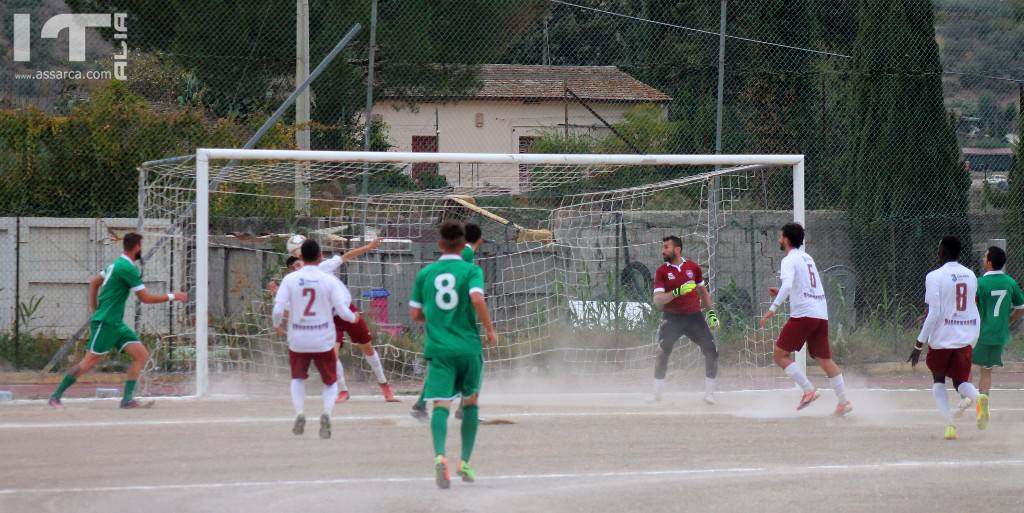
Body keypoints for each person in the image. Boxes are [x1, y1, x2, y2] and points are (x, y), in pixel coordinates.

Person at [48, 232, 187, 409]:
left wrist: (94, 308)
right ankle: (55, 396)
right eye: (140, 247)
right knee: (89, 362)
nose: (141, 250)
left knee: (141, 355)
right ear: (137, 247)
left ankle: (127, 399)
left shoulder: (116, 264)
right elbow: (144, 298)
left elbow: (94, 282)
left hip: (116, 323)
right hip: (106, 323)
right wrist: (173, 296)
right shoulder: (127, 268)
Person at [409, 222, 497, 489]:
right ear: (464, 245)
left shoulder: (426, 273)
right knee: (470, 403)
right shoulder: (471, 269)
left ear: (439, 244)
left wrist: (435, 319)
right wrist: (490, 330)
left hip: (439, 348)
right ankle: (465, 463)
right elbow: (477, 299)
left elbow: (415, 314)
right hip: (468, 346)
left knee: (440, 405)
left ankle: (440, 458)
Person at [269, 236, 397, 403]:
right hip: (331, 319)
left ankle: (384, 385)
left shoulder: (322, 267)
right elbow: (290, 311)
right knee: (332, 355)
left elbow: (347, 256)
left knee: (367, 348)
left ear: (303, 257)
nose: (296, 265)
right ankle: (342, 390)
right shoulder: (298, 282)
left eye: (297, 260)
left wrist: (369, 246)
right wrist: (277, 296)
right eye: (293, 265)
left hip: (347, 310)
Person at [760, 223, 851, 416]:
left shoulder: (789, 260)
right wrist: (785, 293)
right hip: (820, 313)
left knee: (779, 355)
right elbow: (804, 286)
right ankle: (843, 401)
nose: (778, 239)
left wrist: (772, 308)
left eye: (780, 236)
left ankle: (809, 389)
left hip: (804, 315)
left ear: (786, 239)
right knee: (824, 359)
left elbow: (787, 285)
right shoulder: (807, 257)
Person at [272, 239, 358, 439]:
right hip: (322, 339)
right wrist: (354, 318)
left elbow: (278, 309)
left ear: (300, 256)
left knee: (297, 378)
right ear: (320, 256)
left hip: (298, 339)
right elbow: (343, 312)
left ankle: (300, 413)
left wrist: (277, 323)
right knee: (329, 382)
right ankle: (326, 414)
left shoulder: (290, 279)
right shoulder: (327, 279)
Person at [908, 236, 985, 440]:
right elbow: (972, 307)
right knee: (960, 381)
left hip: (942, 338)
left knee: (939, 380)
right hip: (966, 335)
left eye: (938, 248)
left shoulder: (934, 276)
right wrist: (973, 337)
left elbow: (934, 313)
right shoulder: (970, 275)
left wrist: (918, 344)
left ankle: (950, 425)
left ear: (942, 252)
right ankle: (978, 398)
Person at [411, 223, 484, 420]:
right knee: (472, 362)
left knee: (442, 366)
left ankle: (422, 405)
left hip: (444, 319)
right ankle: (463, 407)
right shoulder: (466, 255)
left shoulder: (459, 255)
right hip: (455, 322)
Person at [651, 235, 720, 404]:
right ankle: (657, 394)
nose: (663, 250)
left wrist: (711, 314)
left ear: (677, 249)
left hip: (693, 318)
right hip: (672, 318)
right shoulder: (662, 271)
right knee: (662, 352)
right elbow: (658, 300)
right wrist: (677, 292)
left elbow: (703, 292)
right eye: (663, 247)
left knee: (711, 350)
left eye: (666, 247)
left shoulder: (693, 268)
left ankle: (710, 394)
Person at [964, 246, 1024, 415]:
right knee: (986, 370)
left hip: (980, 333)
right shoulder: (1010, 282)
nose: (983, 259)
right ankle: (983, 406)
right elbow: (1021, 307)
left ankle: (967, 398)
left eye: (984, 257)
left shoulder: (980, 283)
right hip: (999, 335)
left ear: (989, 262)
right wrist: (1009, 319)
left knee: (964, 363)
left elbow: (970, 306)